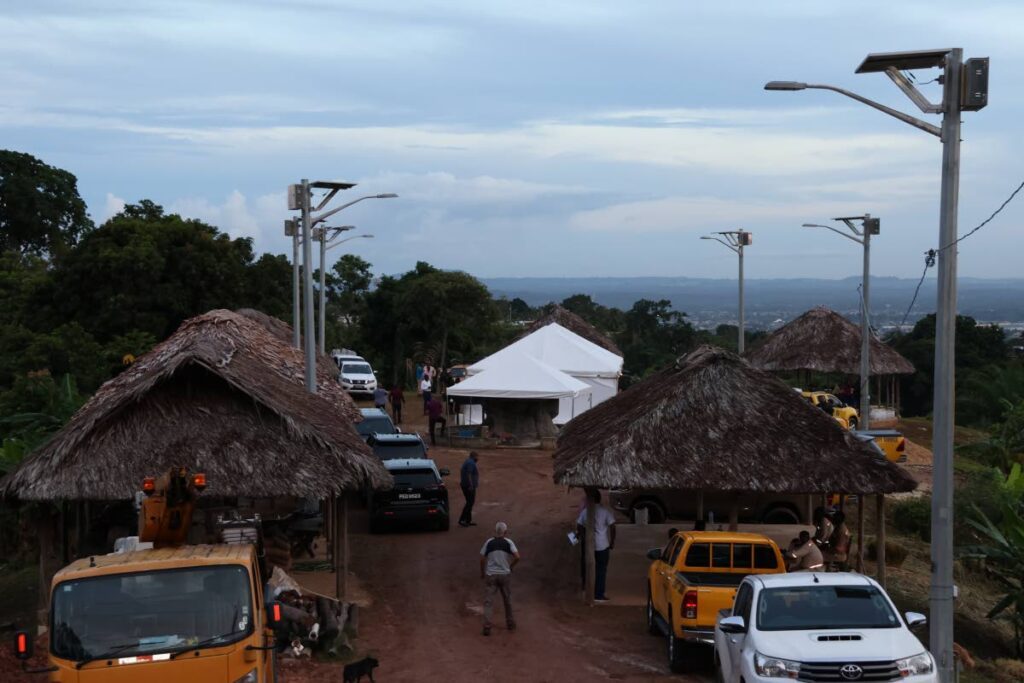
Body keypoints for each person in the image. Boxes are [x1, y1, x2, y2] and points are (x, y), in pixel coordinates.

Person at [480, 521, 520, 636]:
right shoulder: (508, 542)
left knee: (488, 602)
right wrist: (511, 566)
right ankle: (510, 623)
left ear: (495, 531)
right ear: (505, 532)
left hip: (491, 575)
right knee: (507, 600)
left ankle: (487, 626)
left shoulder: (489, 542)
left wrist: (482, 573)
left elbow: (482, 559)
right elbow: (517, 557)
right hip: (504, 575)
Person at [576, 489, 616, 602]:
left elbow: (579, 526)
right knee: (601, 570)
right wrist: (612, 541)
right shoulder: (605, 512)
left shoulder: (586, 512)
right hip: (603, 544)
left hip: (590, 545)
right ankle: (599, 594)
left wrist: (582, 536)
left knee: (589, 568)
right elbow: (613, 527)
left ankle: (587, 589)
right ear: (599, 499)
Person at [459, 451, 479, 527]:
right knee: (469, 503)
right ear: (474, 456)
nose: (478, 458)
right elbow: (469, 474)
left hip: (466, 485)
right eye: (477, 457)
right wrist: (471, 485)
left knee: (470, 502)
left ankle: (467, 520)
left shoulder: (468, 461)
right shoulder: (471, 463)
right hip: (468, 486)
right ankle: (462, 520)